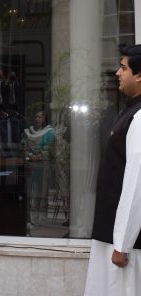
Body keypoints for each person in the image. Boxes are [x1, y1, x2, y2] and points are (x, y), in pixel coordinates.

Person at [84, 44, 141, 295]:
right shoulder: (130, 110)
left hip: (126, 243)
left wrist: (123, 243)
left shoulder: (139, 116)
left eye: (123, 67)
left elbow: (136, 183)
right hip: (113, 233)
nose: (118, 73)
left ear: (139, 75)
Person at [22, 110, 55, 227]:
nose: (37, 119)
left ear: (45, 118)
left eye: (40, 117)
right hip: (31, 165)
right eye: (36, 116)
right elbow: (24, 147)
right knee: (31, 192)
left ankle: (42, 218)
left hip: (43, 165)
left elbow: (50, 148)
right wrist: (30, 155)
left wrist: (39, 156)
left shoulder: (49, 132)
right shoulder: (28, 132)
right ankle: (31, 218)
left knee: (42, 192)